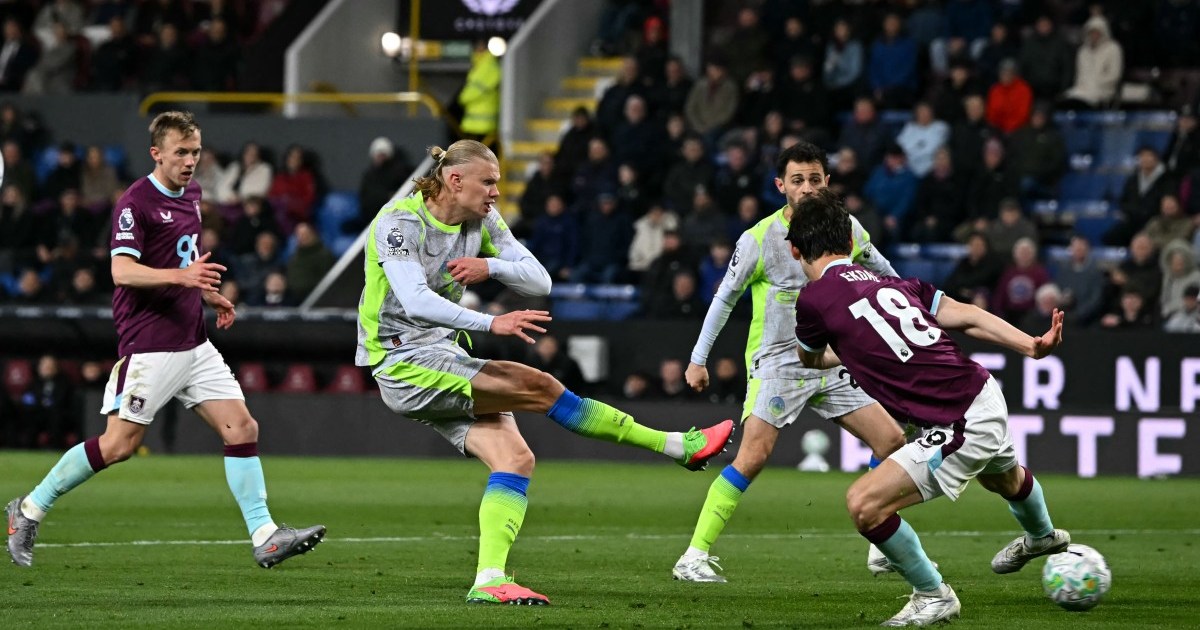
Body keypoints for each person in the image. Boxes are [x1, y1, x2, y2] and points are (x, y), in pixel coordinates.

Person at [355, 139, 734, 605]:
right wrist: (491, 322)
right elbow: (415, 301)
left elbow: (540, 279)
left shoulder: (481, 220)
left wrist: (490, 265)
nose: (496, 192)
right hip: (403, 361)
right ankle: (678, 446)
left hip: (441, 355)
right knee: (540, 386)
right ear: (454, 180)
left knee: (516, 459)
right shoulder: (399, 224)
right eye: (488, 182)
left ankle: (489, 579)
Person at [5, 111, 325, 569]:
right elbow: (122, 271)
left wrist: (206, 293)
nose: (190, 161)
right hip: (151, 342)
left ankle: (265, 534)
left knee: (242, 427)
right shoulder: (135, 202)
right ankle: (30, 508)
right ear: (156, 153)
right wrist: (183, 277)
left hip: (193, 341)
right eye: (181, 152)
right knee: (118, 445)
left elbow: (183, 259)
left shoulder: (191, 194)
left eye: (196, 152)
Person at [787, 188, 1069, 627]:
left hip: (960, 420)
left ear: (795, 251)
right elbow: (969, 315)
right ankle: (1042, 535)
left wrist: (832, 354)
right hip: (982, 391)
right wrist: (1031, 346)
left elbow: (810, 358)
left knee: (865, 504)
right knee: (1004, 478)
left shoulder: (813, 299)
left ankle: (933, 594)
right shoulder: (898, 285)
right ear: (851, 243)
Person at [672, 141, 908, 583]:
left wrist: (911, 316)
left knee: (892, 442)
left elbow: (887, 274)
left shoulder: (849, 230)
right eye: (797, 180)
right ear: (781, 186)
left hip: (831, 360)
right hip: (778, 364)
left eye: (815, 179)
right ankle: (693, 556)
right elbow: (725, 298)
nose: (807, 188)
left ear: (827, 183)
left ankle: (881, 547)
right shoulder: (760, 238)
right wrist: (698, 359)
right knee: (752, 457)